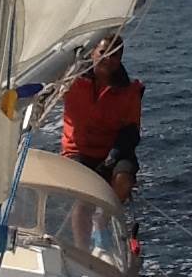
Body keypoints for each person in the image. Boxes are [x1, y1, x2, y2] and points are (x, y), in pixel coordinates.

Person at [61, 34, 144, 203]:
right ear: (92, 52)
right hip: (78, 151)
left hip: (112, 152)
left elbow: (131, 133)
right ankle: (84, 219)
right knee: (85, 196)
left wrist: (110, 160)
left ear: (120, 59)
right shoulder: (70, 81)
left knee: (123, 180)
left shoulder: (129, 91)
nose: (108, 58)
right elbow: (46, 91)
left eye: (114, 55)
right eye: (103, 52)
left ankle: (107, 217)